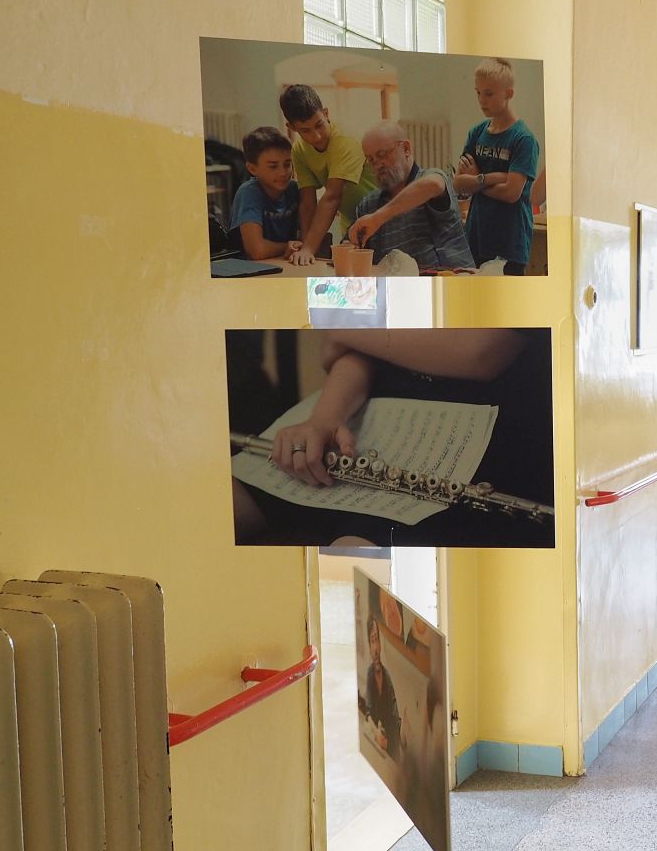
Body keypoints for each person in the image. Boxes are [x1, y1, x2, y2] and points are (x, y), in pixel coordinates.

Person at [230, 328, 554, 548]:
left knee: (352, 573)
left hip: (474, 439)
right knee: (215, 511)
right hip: (369, 414)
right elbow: (361, 352)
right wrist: (326, 417)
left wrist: (342, 329)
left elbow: (482, 350)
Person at [344, 121, 475, 271]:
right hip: (399, 283)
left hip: (451, 280)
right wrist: (350, 244)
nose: (378, 165)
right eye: (371, 160)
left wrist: (378, 218)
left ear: (406, 149)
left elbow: (433, 185)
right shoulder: (369, 204)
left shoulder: (431, 177)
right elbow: (349, 247)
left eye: (382, 155)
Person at [454, 58, 540, 274]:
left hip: (509, 242)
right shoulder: (477, 133)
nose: (482, 100)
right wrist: (491, 177)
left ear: (509, 93)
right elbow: (458, 183)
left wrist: (477, 180)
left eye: (489, 94)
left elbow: (512, 193)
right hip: (477, 236)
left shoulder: (524, 139)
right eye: (478, 93)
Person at [279, 83, 380, 266]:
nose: (316, 136)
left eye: (319, 125)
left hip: (380, 217)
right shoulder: (299, 150)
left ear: (326, 113)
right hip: (351, 223)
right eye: (305, 130)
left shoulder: (345, 140)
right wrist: (305, 246)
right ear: (291, 127)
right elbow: (307, 203)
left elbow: (332, 196)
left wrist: (309, 248)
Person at [229, 127, 302, 261]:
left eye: (287, 164)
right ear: (252, 168)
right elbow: (256, 251)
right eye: (273, 166)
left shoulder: (294, 189)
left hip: (284, 262)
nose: (283, 173)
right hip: (250, 268)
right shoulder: (248, 193)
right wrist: (287, 246)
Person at [360, 616, 401, 754]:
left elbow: (395, 720)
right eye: (372, 641)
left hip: (391, 751)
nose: (375, 649)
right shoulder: (370, 674)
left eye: (377, 640)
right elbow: (369, 713)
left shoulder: (387, 678)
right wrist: (376, 732)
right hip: (376, 749)